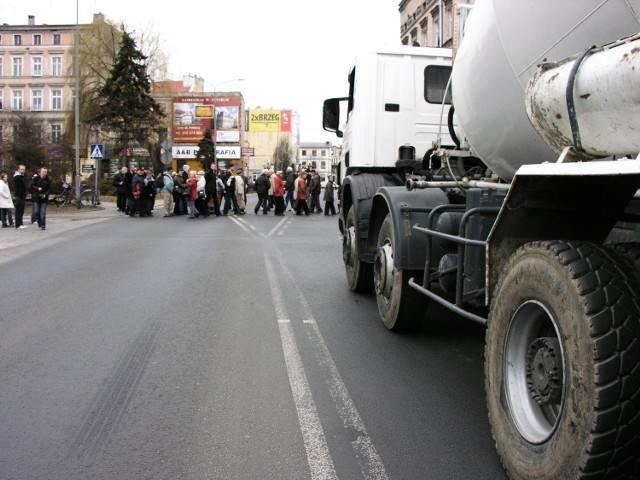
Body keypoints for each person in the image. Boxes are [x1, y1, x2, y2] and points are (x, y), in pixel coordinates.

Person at [13, 164, 27, 229]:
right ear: (18, 169)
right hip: (19, 196)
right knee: (19, 210)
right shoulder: (17, 177)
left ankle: (20, 223)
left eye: (23, 169)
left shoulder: (21, 176)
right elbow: (19, 188)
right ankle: (18, 224)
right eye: (21, 169)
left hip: (21, 196)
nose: (22, 170)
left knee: (21, 210)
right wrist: (22, 195)